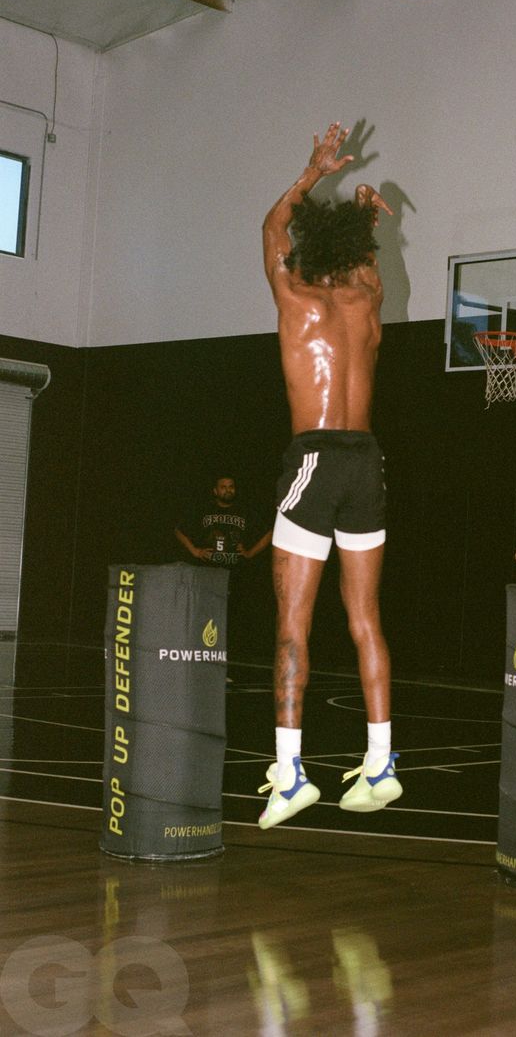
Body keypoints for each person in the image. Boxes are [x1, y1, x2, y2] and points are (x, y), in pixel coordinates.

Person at [258, 121, 400, 829]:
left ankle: (289, 776)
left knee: (293, 621)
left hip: (315, 457)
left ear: (307, 252)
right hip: (366, 460)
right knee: (364, 618)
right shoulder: (369, 297)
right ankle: (380, 764)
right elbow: (362, 256)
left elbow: (273, 224)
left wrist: (312, 173)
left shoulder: (295, 296)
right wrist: (366, 217)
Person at [174, 475, 272, 568]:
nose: (228, 490)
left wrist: (250, 553)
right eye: (223, 487)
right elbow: (179, 531)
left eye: (231, 487)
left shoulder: (244, 511)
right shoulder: (204, 510)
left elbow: (268, 534)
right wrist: (196, 551)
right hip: (208, 569)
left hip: (236, 570)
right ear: (215, 491)